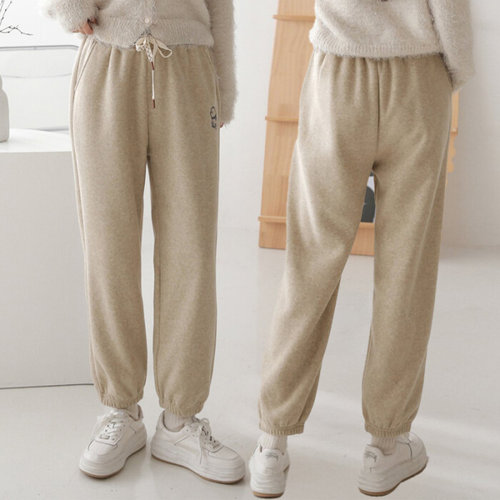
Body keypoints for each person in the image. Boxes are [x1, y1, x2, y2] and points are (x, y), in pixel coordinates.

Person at [249, 0, 474, 497]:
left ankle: (272, 443)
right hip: (418, 73)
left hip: (338, 72)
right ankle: (385, 447)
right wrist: (452, 72)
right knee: (406, 268)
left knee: (310, 263)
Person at [39, 0, 246, 483]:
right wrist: (69, 7)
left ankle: (180, 419)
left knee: (192, 253)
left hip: (190, 68)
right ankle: (120, 410)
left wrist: (224, 86)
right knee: (107, 250)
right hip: (107, 59)